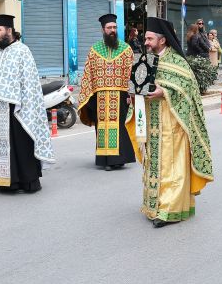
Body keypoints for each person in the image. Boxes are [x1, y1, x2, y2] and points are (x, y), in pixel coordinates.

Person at [126, 17, 214, 227]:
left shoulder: (178, 62)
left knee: (170, 166)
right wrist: (133, 95)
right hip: (151, 123)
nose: (145, 42)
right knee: (154, 164)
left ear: (162, 40)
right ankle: (153, 205)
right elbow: (138, 85)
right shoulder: (145, 60)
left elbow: (188, 91)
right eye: (146, 38)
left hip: (173, 125)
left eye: (149, 38)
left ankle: (169, 209)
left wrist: (163, 91)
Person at [0, 15, 54, 193]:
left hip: (18, 108)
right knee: (3, 146)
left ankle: (28, 181)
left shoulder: (22, 51)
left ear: (9, 31)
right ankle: (7, 182)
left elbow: (30, 83)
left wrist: (25, 104)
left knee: (21, 143)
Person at [78, 14, 137, 170]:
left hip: (120, 95)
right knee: (102, 127)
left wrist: (131, 94)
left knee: (118, 126)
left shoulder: (126, 49)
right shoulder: (94, 50)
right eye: (109, 28)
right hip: (100, 96)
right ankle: (106, 160)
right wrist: (88, 96)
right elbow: (87, 74)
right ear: (103, 30)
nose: (112, 30)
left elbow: (131, 73)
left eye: (114, 27)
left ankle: (119, 159)